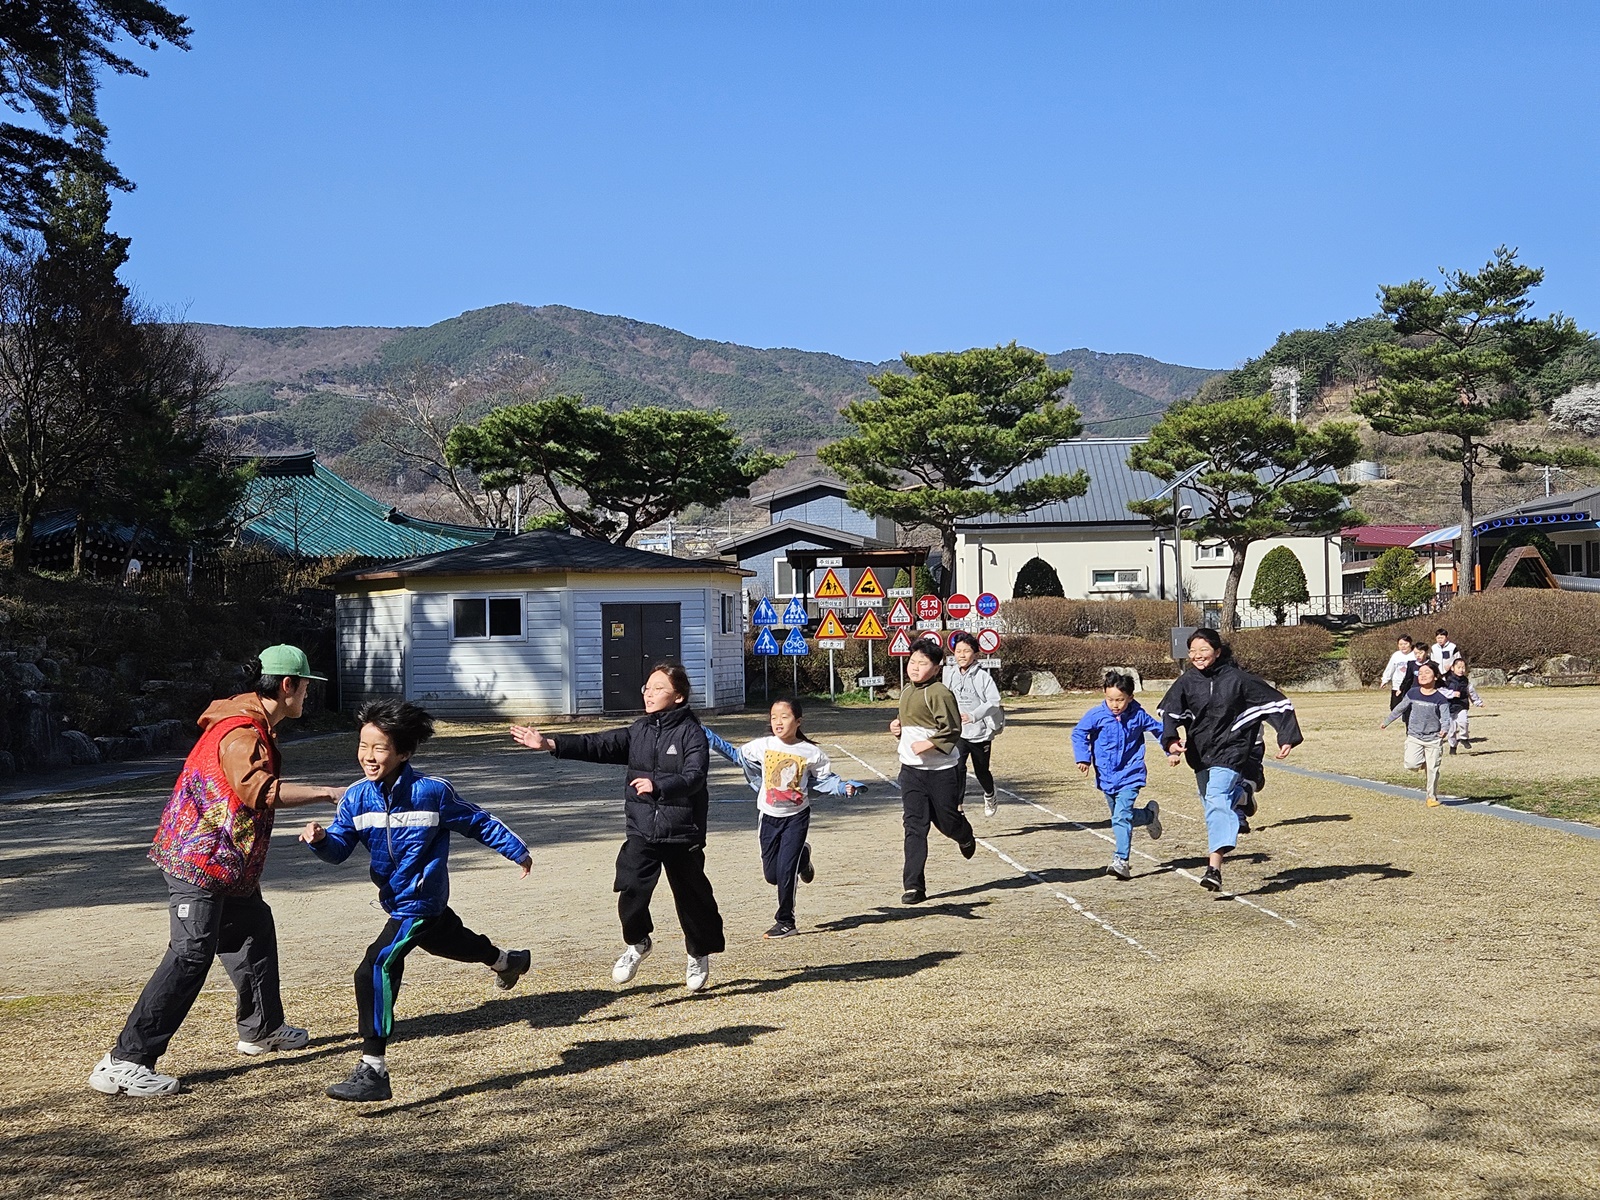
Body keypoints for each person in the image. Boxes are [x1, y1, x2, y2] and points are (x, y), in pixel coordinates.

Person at [88, 645, 346, 1099]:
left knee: (253, 932)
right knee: (190, 954)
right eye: (306, 686)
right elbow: (255, 790)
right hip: (200, 862)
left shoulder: (253, 725)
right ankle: (126, 1060)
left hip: (228, 865)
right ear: (288, 686)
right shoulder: (241, 731)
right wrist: (326, 792)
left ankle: (261, 1029)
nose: (309, 694)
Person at [300, 700, 533, 1103]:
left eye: (379, 749)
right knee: (449, 941)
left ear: (404, 752)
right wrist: (321, 841)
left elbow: (478, 820)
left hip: (419, 900)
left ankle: (373, 1069)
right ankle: (506, 960)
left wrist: (516, 849)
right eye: (363, 746)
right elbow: (339, 850)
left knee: (376, 965)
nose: (368, 757)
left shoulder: (431, 792)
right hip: (397, 901)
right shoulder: (356, 798)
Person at [510, 663, 724, 992]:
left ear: (678, 697)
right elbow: (598, 744)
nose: (649, 694)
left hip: (683, 831)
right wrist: (550, 743)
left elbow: (695, 777)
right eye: (647, 688)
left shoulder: (691, 734)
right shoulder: (639, 731)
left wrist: (659, 784)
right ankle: (638, 942)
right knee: (631, 888)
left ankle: (698, 953)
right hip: (642, 830)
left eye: (659, 689)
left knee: (693, 897)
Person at [1157, 628, 1302, 893]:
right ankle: (1242, 795)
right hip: (1200, 754)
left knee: (1216, 801)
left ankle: (1214, 868)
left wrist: (1286, 736)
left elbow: (1277, 704)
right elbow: (1169, 713)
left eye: (1203, 650)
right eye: (1192, 651)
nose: (1197, 656)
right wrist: (1171, 740)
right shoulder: (1187, 681)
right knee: (1212, 804)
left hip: (1232, 751)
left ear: (1218, 651)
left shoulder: (1238, 680)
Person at [711, 699, 864, 938]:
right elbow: (735, 755)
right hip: (769, 817)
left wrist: (844, 787)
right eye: (773, 717)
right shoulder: (761, 746)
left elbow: (825, 780)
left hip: (796, 818)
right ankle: (803, 856)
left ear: (798, 721)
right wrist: (706, 735)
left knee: (786, 872)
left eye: (784, 717)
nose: (778, 722)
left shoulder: (812, 753)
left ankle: (786, 921)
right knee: (772, 875)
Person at [888, 638, 975, 904]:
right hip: (911, 772)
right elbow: (910, 724)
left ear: (937, 668)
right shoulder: (906, 691)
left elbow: (952, 730)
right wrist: (897, 728)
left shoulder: (939, 692)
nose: (915, 668)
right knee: (915, 826)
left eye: (922, 663)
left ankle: (964, 834)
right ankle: (914, 885)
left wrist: (931, 744)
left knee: (946, 822)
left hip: (942, 771)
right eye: (912, 662)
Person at [1071, 671, 1165, 880]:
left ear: (1130, 697)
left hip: (1131, 773)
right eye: (1110, 699)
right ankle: (1149, 816)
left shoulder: (1138, 714)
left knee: (1121, 817)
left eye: (1120, 700)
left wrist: (1172, 748)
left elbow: (1159, 730)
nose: (1115, 704)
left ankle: (1121, 860)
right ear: (1104, 694)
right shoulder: (1096, 715)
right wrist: (1083, 758)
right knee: (1121, 815)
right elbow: (1078, 733)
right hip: (1106, 776)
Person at [943, 632, 1005, 817]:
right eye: (958, 651)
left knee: (981, 771)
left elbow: (994, 702)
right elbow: (944, 697)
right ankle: (958, 806)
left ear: (975, 654)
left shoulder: (983, 677)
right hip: (959, 732)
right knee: (958, 767)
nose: (961, 655)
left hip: (980, 732)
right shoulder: (950, 674)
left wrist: (973, 715)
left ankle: (990, 793)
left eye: (966, 651)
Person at [1380, 660, 1454, 806]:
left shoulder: (1440, 699)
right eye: (1420, 673)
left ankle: (1431, 797)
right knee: (1411, 764)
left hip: (1433, 738)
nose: (1423, 675)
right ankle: (1422, 762)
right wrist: (1387, 721)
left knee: (1433, 770)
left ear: (1435, 677)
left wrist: (1444, 730)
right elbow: (1400, 708)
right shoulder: (1413, 693)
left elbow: (1446, 718)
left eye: (1427, 672)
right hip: (1414, 736)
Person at [1439, 657, 1484, 756]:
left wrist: (1477, 702)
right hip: (1448, 707)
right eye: (1458, 667)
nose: (1461, 670)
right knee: (1451, 730)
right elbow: (1440, 690)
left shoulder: (1466, 681)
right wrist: (1451, 694)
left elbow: (1471, 692)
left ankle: (1464, 738)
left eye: (1463, 668)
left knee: (1464, 722)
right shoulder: (1446, 679)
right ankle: (1453, 746)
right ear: (1452, 668)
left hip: (1461, 705)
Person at [1379, 634, 1416, 710]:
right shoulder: (1396, 655)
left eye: (1405, 644)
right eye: (1400, 644)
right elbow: (1390, 668)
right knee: (1394, 707)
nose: (1403, 646)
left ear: (1410, 644)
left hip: (1411, 686)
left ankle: (1409, 720)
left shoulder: (1415, 655)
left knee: (1410, 707)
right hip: (1397, 685)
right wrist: (1385, 680)